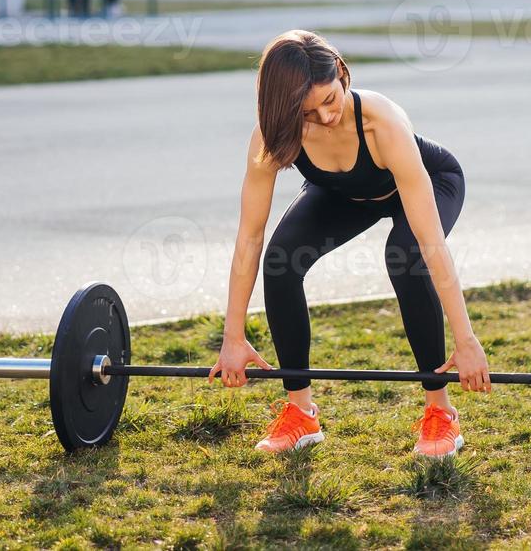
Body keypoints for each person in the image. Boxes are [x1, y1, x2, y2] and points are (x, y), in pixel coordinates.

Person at [210, 30, 489, 458]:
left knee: (407, 258)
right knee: (281, 261)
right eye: (307, 111)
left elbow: (431, 243)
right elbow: (249, 238)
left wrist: (466, 340)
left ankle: (440, 413)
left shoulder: (383, 122)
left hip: (429, 182)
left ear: (341, 73)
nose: (324, 117)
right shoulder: (271, 135)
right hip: (346, 194)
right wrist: (233, 335)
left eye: (330, 100)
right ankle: (300, 413)